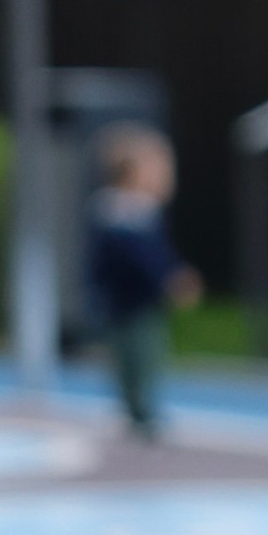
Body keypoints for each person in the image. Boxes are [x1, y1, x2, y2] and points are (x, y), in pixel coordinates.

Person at [85, 121, 199, 436]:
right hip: (124, 302)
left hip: (140, 303)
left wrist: (172, 276)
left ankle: (141, 409)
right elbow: (139, 260)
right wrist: (168, 278)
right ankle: (137, 410)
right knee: (129, 357)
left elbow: (157, 258)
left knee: (144, 356)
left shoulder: (140, 213)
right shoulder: (117, 212)